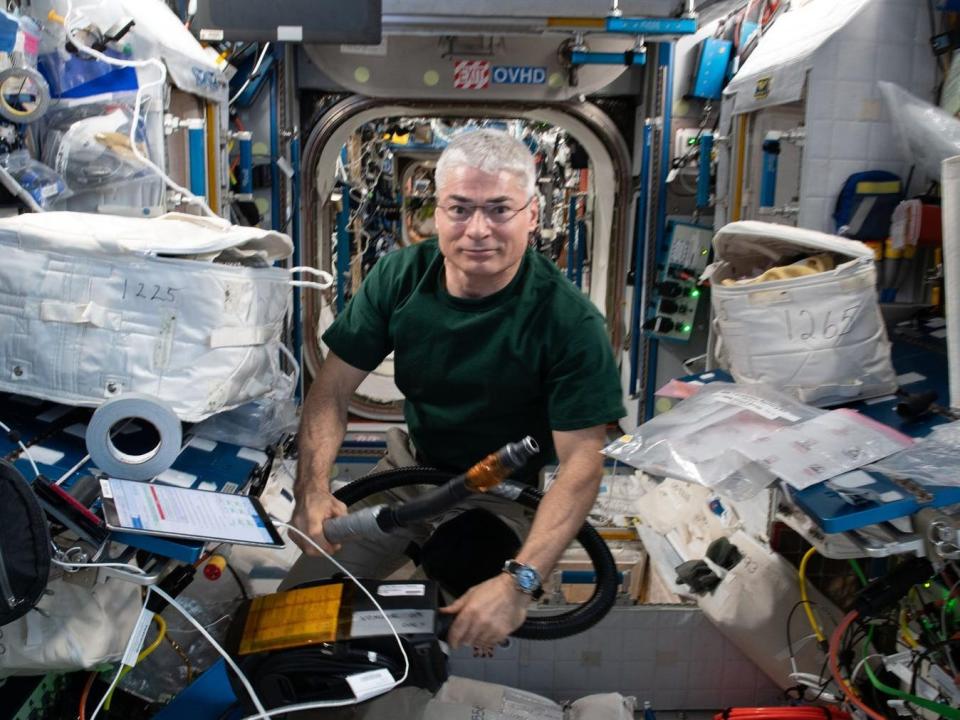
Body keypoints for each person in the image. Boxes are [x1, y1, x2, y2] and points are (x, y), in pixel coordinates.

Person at [288, 128, 625, 654]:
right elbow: (331, 390)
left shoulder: (568, 321)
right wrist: (311, 488)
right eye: (460, 208)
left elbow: (583, 462)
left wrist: (520, 582)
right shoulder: (400, 277)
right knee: (296, 614)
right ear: (437, 213)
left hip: (501, 490)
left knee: (465, 630)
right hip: (409, 470)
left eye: (499, 210)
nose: (478, 230)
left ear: (532, 215)